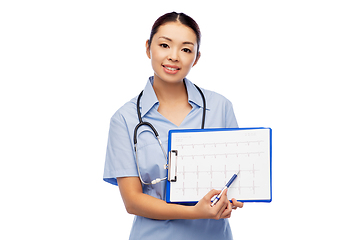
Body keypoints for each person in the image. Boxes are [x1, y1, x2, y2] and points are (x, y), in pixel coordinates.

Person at [103, 12, 244, 240]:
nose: (174, 56)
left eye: (186, 49)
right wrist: (194, 212)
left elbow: (236, 175)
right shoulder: (124, 119)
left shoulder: (220, 107)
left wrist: (234, 197)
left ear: (196, 58)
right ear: (149, 48)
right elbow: (132, 201)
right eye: (164, 45)